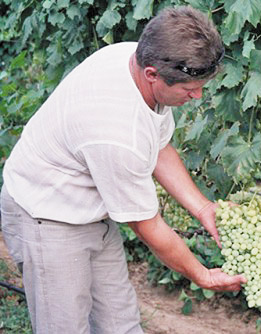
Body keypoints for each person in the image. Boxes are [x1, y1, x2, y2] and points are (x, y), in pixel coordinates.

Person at [0, 6, 246, 334]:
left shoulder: (135, 55)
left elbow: (158, 146)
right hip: (46, 216)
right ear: (152, 74)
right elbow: (148, 226)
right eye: (189, 89)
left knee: (121, 325)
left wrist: (203, 208)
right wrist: (202, 275)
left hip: (89, 210)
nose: (198, 96)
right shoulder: (116, 131)